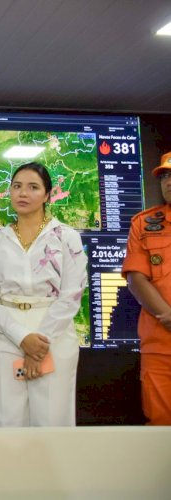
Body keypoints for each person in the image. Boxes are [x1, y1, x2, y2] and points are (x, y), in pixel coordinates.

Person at [0, 162, 87, 427]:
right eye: (17, 187)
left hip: (54, 337)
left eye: (33, 187)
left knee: (51, 421)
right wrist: (21, 337)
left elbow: (72, 295)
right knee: (7, 423)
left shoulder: (67, 238)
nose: (22, 193)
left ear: (47, 195)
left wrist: (38, 345)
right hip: (5, 338)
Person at [123, 151, 171, 425]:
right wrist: (168, 316)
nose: (168, 181)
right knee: (161, 429)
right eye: (164, 176)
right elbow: (136, 277)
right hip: (160, 346)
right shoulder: (145, 223)